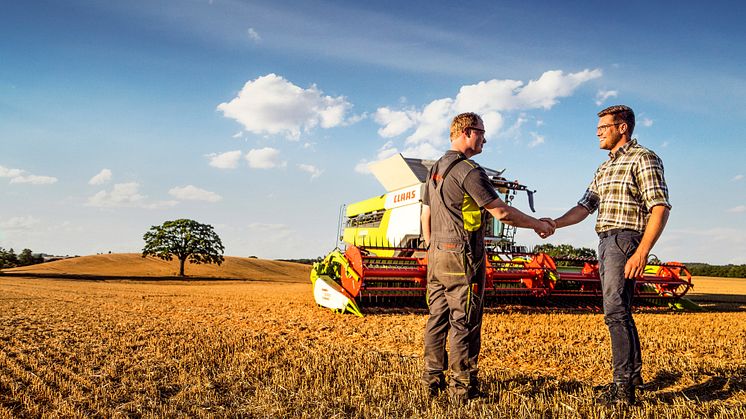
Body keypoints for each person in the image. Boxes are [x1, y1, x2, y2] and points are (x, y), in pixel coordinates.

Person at [420, 112, 555, 403]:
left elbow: (426, 215)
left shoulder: (433, 171)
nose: (484, 138)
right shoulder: (470, 171)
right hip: (462, 257)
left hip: (436, 255)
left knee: (437, 319)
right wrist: (538, 224)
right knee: (464, 322)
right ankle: (463, 389)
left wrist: (432, 248)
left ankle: (432, 382)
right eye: (481, 132)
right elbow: (501, 212)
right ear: (467, 132)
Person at [547, 105, 671, 406]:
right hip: (606, 241)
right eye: (598, 128)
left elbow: (659, 207)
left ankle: (622, 387)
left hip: (626, 239)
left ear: (623, 128)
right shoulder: (604, 168)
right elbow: (585, 206)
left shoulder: (644, 158)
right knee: (620, 310)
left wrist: (642, 252)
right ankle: (633, 378)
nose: (599, 132)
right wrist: (554, 224)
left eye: (604, 127)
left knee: (615, 311)